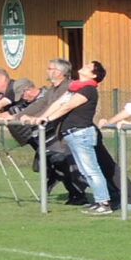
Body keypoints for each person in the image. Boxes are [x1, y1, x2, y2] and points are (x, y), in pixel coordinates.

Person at [27, 60, 113, 212]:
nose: (84, 66)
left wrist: (48, 119)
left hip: (82, 133)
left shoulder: (88, 89)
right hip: (72, 134)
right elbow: (58, 104)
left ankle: (104, 203)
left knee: (91, 170)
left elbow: (68, 106)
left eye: (88, 67)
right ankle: (100, 201)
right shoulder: (75, 88)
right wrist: (43, 117)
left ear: (93, 74)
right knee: (85, 170)